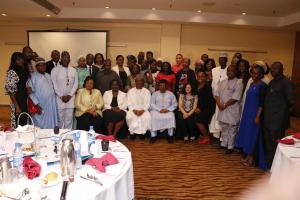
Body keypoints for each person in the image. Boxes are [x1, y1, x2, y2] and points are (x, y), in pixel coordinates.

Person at [235, 65, 267, 169]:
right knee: (247, 134)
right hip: (247, 113)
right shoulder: (252, 83)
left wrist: (257, 116)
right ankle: (248, 154)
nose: (254, 75)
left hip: (255, 114)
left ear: (261, 74)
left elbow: (262, 103)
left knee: (253, 135)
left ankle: (251, 157)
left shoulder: (262, 86)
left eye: (256, 73)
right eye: (253, 72)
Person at [263, 61, 294, 168]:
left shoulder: (286, 82)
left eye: (275, 68)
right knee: (268, 142)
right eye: (272, 69)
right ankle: (268, 163)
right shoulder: (272, 82)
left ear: (282, 69)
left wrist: (281, 112)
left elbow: (291, 101)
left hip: (278, 119)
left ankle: (275, 166)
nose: (273, 70)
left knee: (275, 143)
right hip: (268, 117)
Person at [215, 65, 243, 154]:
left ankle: (230, 146)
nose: (229, 72)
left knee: (232, 128)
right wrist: (219, 103)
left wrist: (225, 105)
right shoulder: (223, 81)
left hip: (232, 109)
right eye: (228, 71)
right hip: (222, 108)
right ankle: (224, 143)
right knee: (224, 127)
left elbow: (235, 98)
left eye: (232, 71)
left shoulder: (239, 82)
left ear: (236, 72)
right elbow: (217, 94)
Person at [27, 58, 58, 128]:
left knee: (51, 124)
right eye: (40, 65)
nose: (43, 67)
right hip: (40, 105)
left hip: (50, 105)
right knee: (40, 125)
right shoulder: (32, 77)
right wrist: (37, 105)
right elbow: (30, 93)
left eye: (44, 65)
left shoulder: (48, 75)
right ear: (36, 67)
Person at [51, 51, 78, 129]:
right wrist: (61, 96)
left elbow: (75, 84)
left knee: (69, 119)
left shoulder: (73, 70)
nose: (66, 59)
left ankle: (68, 136)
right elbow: (54, 85)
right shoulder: (55, 70)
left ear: (69, 59)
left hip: (71, 98)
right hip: (59, 99)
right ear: (61, 59)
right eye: (64, 57)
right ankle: (61, 136)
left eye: (68, 57)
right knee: (60, 120)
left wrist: (70, 95)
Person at [5, 52, 30, 128]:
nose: (20, 61)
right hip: (17, 99)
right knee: (19, 122)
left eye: (21, 59)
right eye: (18, 60)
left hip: (25, 98)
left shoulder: (24, 70)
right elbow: (10, 91)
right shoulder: (12, 72)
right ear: (14, 61)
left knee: (25, 121)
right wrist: (17, 106)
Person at [209, 52, 229, 140]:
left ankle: (223, 136)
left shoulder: (229, 69)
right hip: (215, 96)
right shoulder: (214, 70)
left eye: (223, 59)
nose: (221, 61)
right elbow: (213, 83)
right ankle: (217, 134)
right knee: (216, 115)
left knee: (224, 116)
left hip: (225, 98)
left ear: (226, 60)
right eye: (220, 59)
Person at [194, 70, 216, 144]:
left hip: (208, 107)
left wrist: (199, 108)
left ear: (205, 77)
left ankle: (207, 137)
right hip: (202, 106)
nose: (200, 78)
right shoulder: (197, 85)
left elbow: (206, 100)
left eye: (202, 76)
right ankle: (206, 135)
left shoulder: (207, 86)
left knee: (198, 120)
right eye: (198, 76)